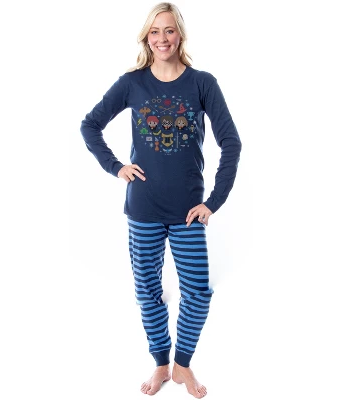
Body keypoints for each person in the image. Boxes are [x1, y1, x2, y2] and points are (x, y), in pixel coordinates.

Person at [80, 2, 241, 398]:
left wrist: (213, 202)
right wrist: (117, 167)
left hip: (188, 213)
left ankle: (182, 365)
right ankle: (160, 364)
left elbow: (231, 143)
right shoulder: (132, 83)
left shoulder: (202, 83)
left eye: (169, 30)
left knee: (198, 292)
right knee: (148, 291)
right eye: (154, 31)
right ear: (146, 37)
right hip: (144, 209)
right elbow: (90, 125)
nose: (162, 38)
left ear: (179, 34)